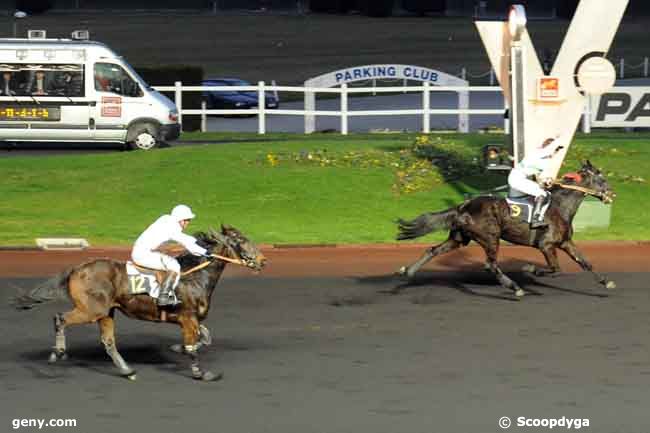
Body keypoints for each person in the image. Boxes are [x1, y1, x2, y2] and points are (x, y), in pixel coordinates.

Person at [131, 204, 209, 306]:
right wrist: (205, 252)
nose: (188, 223)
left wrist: (198, 245)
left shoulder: (167, 219)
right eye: (187, 220)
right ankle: (163, 297)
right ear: (180, 219)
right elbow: (186, 242)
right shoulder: (172, 227)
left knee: (170, 260)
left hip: (143, 251)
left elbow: (184, 240)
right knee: (174, 265)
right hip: (143, 254)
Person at [508, 137, 564, 228]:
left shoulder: (544, 158)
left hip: (518, 178)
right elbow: (549, 150)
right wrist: (560, 137)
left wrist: (547, 182)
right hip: (517, 179)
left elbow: (540, 179)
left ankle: (533, 216)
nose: (556, 152)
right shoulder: (538, 153)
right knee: (542, 194)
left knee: (544, 193)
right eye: (556, 149)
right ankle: (535, 220)